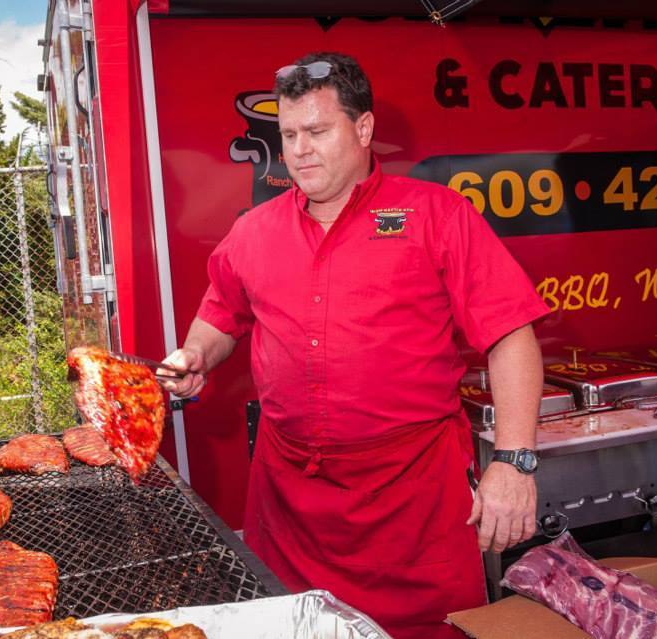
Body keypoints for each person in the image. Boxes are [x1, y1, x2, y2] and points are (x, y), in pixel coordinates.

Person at [160, 52, 550, 639]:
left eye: (317, 131)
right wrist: (193, 356)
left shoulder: (437, 216)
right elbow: (220, 316)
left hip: (412, 505)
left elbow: (511, 335)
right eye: (288, 134)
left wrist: (515, 463)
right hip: (289, 505)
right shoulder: (254, 231)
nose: (298, 150)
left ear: (364, 129)